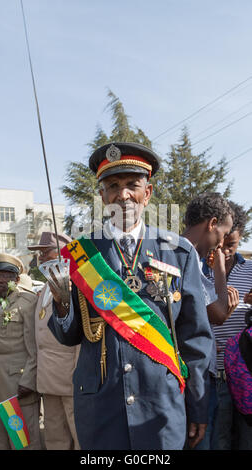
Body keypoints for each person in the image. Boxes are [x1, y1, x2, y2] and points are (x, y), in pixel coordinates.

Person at [48, 142, 213, 450]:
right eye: (112, 186)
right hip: (101, 407)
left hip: (161, 405)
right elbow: (68, 336)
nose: (122, 195)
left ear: (147, 193)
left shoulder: (178, 252)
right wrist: (61, 304)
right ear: (102, 196)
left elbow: (196, 338)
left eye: (132, 186)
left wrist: (198, 405)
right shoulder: (83, 255)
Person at [183, 193, 239, 449]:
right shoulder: (187, 255)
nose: (220, 243)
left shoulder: (174, 249)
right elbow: (218, 311)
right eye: (223, 234)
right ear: (212, 223)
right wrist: (220, 267)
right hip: (187, 380)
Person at [204, 200, 252, 450]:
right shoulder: (201, 271)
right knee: (219, 438)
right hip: (215, 372)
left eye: (231, 244)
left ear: (241, 237)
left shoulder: (251, 271)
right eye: (221, 244)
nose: (224, 251)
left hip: (247, 370)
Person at [28, 232, 80, 450]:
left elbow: (79, 338)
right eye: (39, 253)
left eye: (45, 251)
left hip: (71, 380)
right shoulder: (43, 290)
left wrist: (79, 376)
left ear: (62, 253)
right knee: (55, 438)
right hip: (48, 380)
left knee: (79, 437)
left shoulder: (75, 287)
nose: (40, 257)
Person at [0, 253, 42, 450]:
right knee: (2, 439)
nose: (1, 279)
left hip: (17, 385)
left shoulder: (27, 302)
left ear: (16, 280)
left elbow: (34, 347)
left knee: (23, 439)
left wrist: (29, 381)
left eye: (7, 275)